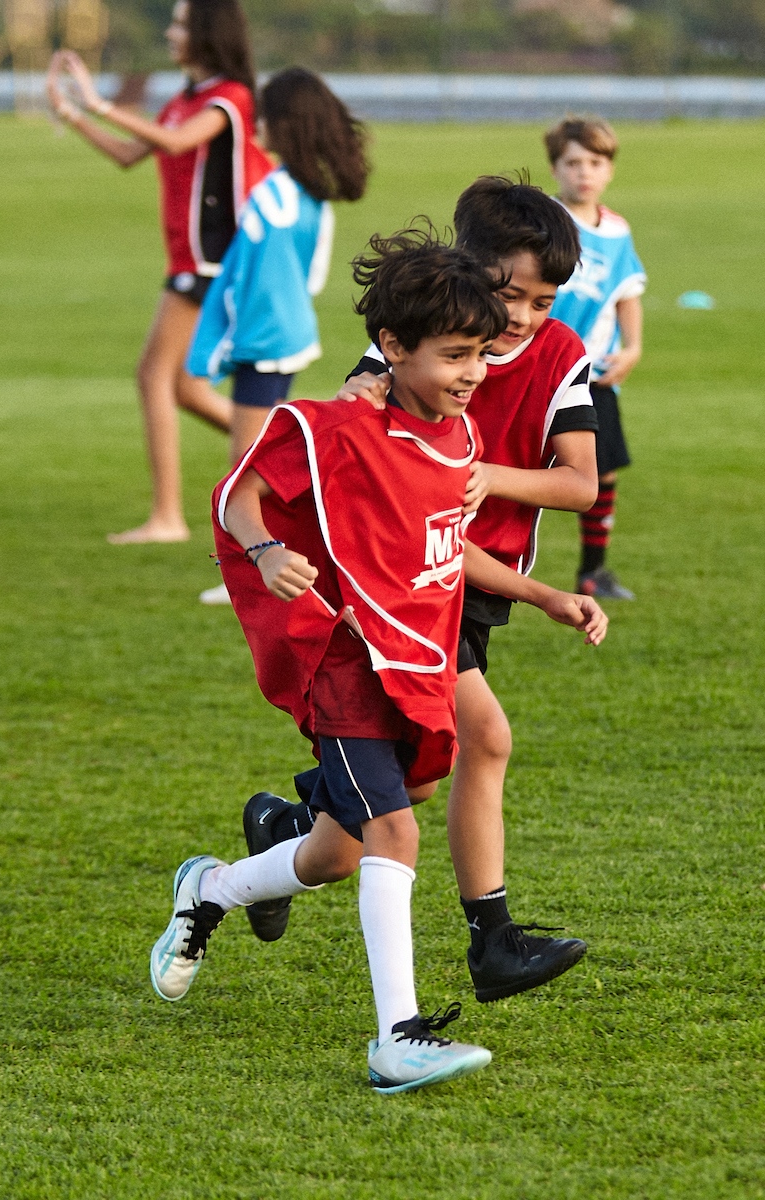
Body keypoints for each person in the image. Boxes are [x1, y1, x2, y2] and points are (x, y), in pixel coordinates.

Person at [150, 228, 506, 1093]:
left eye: (482, 356)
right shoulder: (334, 427)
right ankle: (398, 1038)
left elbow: (444, 549)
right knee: (398, 831)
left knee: (338, 852)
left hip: (411, 665)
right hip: (342, 658)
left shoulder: (458, 441)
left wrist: (545, 595)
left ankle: (214, 889)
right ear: (392, 348)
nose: (471, 373)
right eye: (453, 355)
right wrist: (268, 549)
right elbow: (241, 493)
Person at [244, 178, 608, 1006]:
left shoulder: (562, 355)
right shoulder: (411, 343)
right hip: (410, 575)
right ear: (467, 271)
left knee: (388, 805)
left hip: (479, 573)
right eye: (508, 295)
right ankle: (491, 942)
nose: (519, 318)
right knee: (485, 739)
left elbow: (581, 484)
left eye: (542, 301)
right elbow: (347, 432)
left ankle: (290, 828)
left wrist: (490, 479)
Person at [46, 0, 272, 544]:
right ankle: (295, 455)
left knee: (154, 376)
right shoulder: (183, 100)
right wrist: (76, 116)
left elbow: (175, 142)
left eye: (179, 23)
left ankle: (167, 517)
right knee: (188, 391)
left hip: (210, 260)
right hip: (190, 259)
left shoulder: (229, 99)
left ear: (206, 34)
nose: (171, 33)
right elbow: (131, 153)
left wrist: (100, 101)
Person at [187, 66, 370, 604]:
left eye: (261, 117)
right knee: (264, 454)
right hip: (290, 333)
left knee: (246, 464)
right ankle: (295, 549)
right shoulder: (308, 193)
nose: (255, 125)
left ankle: (246, 570)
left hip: (264, 341)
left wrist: (233, 342)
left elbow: (251, 280)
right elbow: (311, 273)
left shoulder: (273, 195)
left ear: (283, 125)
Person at [545, 116, 647, 600]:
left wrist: (632, 348)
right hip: (537, 367)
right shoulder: (542, 221)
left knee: (600, 473)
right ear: (555, 168)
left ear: (609, 170)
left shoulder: (616, 230)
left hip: (592, 374)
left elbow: (627, 293)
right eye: (573, 162)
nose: (584, 172)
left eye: (596, 162)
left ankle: (593, 571)